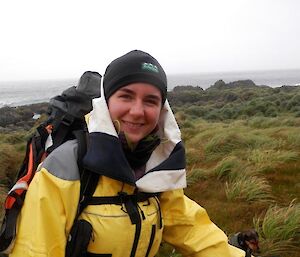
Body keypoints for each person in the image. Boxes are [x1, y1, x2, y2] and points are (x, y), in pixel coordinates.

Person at [9, 50, 245, 257]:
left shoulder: (155, 163)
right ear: (106, 102)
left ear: (162, 110)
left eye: (151, 101)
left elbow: (191, 228)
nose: (137, 111)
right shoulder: (66, 167)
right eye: (126, 96)